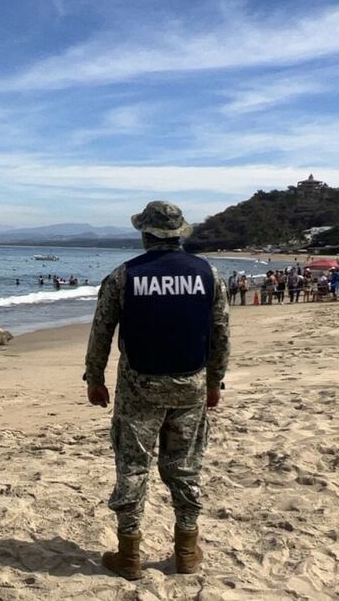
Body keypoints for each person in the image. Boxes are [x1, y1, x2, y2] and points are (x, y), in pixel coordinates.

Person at [84, 201, 230, 580]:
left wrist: (94, 378)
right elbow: (220, 336)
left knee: (133, 467)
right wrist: (215, 382)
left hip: (138, 387)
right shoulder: (209, 275)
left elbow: (101, 331)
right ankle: (186, 552)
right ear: (180, 233)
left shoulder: (124, 276)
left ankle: (129, 555)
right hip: (191, 385)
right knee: (184, 467)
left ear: (145, 233)